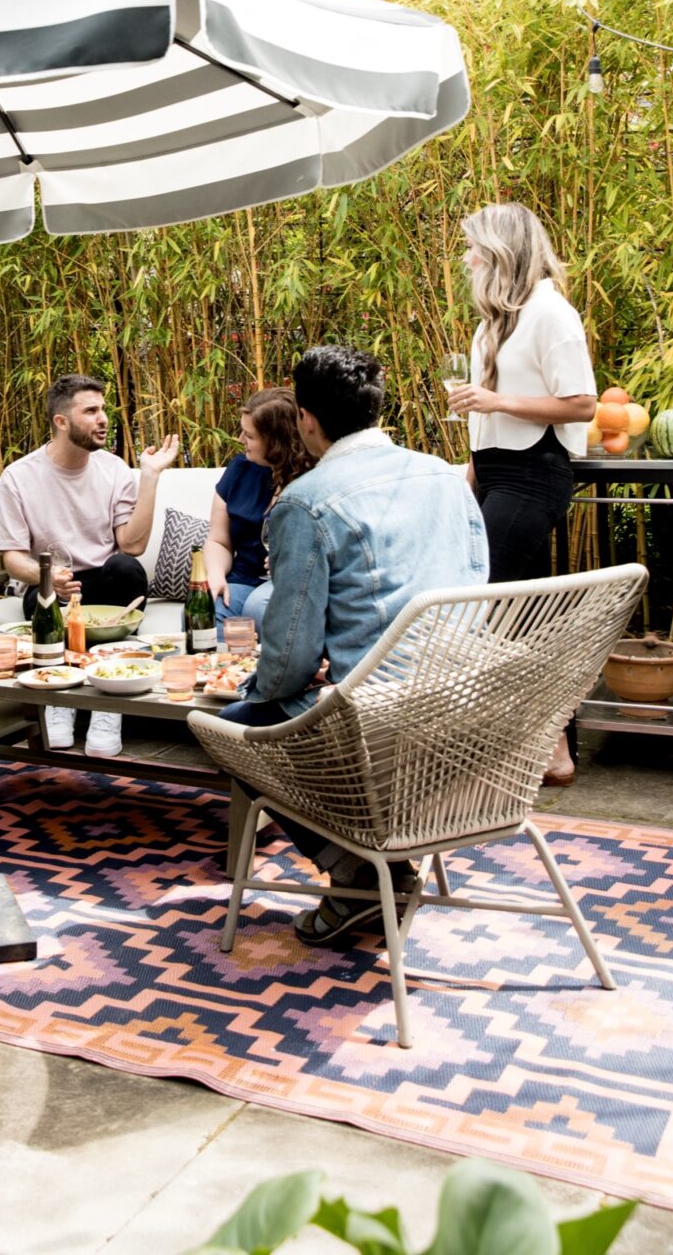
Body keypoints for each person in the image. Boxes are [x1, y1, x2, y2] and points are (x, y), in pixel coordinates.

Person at [221, 344, 487, 950]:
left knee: (236, 724)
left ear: (307, 420)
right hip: (463, 708)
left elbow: (287, 661)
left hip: (375, 726)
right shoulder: (445, 479)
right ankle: (369, 868)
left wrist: (255, 688)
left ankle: (357, 874)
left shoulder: (305, 501)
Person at [447, 202, 598, 785]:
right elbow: (487, 417)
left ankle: (522, 742)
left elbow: (582, 403)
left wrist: (496, 402)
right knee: (512, 619)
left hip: (535, 474)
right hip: (494, 473)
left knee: (486, 609)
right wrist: (471, 473)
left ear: (502, 252)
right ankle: (552, 747)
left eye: (475, 248)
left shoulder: (551, 314)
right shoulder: (496, 320)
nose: (467, 258)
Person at [0, 373, 179, 758]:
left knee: (127, 569)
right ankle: (59, 698)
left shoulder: (113, 470)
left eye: (103, 409)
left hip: (106, 582)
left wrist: (149, 477)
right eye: (91, 411)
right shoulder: (18, 477)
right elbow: (12, 558)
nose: (103, 419)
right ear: (61, 422)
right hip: (49, 584)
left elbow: (132, 544)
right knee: (42, 600)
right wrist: (46, 577)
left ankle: (104, 707)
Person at [205, 387, 311, 637]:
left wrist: (287, 561)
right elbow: (218, 540)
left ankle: (272, 675)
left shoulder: (312, 480)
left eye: (250, 435)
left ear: (276, 441)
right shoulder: (240, 469)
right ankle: (227, 675)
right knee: (207, 608)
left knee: (258, 607)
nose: (241, 439)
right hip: (244, 579)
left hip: (288, 584)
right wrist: (216, 575)